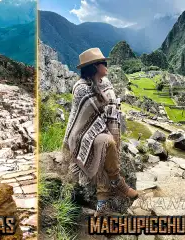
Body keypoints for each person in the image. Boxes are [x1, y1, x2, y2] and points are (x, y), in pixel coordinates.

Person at [62, 48, 139, 217]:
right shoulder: (80, 88)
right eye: (103, 63)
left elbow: (112, 108)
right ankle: (118, 183)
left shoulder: (105, 83)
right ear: (95, 66)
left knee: (107, 145)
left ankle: (103, 200)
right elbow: (93, 114)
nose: (106, 65)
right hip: (82, 135)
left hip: (101, 129)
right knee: (107, 143)